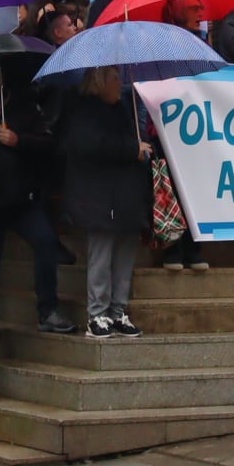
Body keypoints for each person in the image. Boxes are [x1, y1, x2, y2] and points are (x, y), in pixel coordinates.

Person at [0, 62, 70, 338]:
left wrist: (18, 140)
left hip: (22, 200)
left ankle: (48, 309)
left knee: (46, 243)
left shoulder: (23, 109)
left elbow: (48, 144)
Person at [56, 67, 156, 331]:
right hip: (100, 198)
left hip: (125, 195)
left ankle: (118, 309)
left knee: (125, 254)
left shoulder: (123, 108)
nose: (120, 83)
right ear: (100, 82)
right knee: (102, 255)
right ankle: (97, 312)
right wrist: (131, 148)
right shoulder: (85, 111)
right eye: (114, 78)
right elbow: (91, 145)